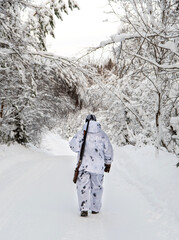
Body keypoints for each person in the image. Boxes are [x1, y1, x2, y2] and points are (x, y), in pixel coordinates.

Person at [69, 114, 113, 217]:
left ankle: (84, 209)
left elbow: (73, 146)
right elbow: (108, 150)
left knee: (82, 186)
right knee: (97, 187)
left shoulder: (81, 133)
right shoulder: (102, 135)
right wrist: (108, 162)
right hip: (98, 167)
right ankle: (95, 208)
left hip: (84, 165)